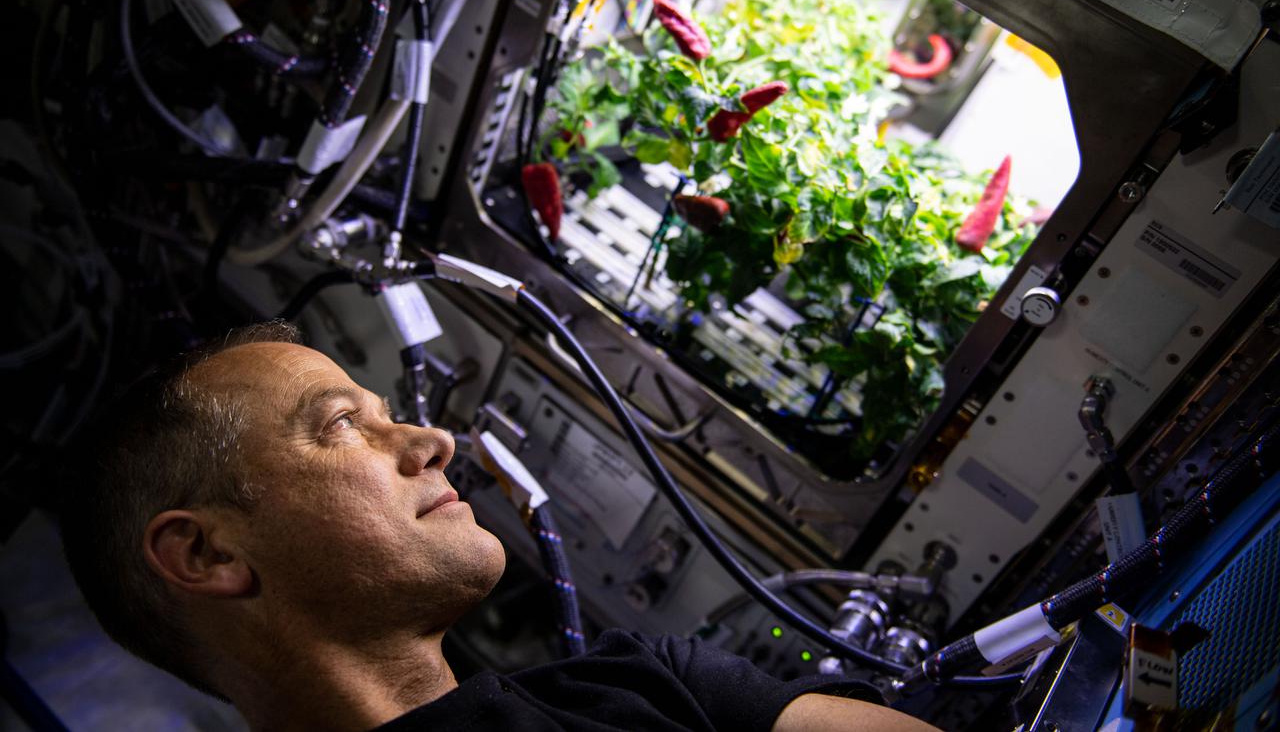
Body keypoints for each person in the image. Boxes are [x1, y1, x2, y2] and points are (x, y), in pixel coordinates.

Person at [59, 322, 937, 731]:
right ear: (208, 551)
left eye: (388, 411)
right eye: (340, 423)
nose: (431, 439)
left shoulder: (652, 682)